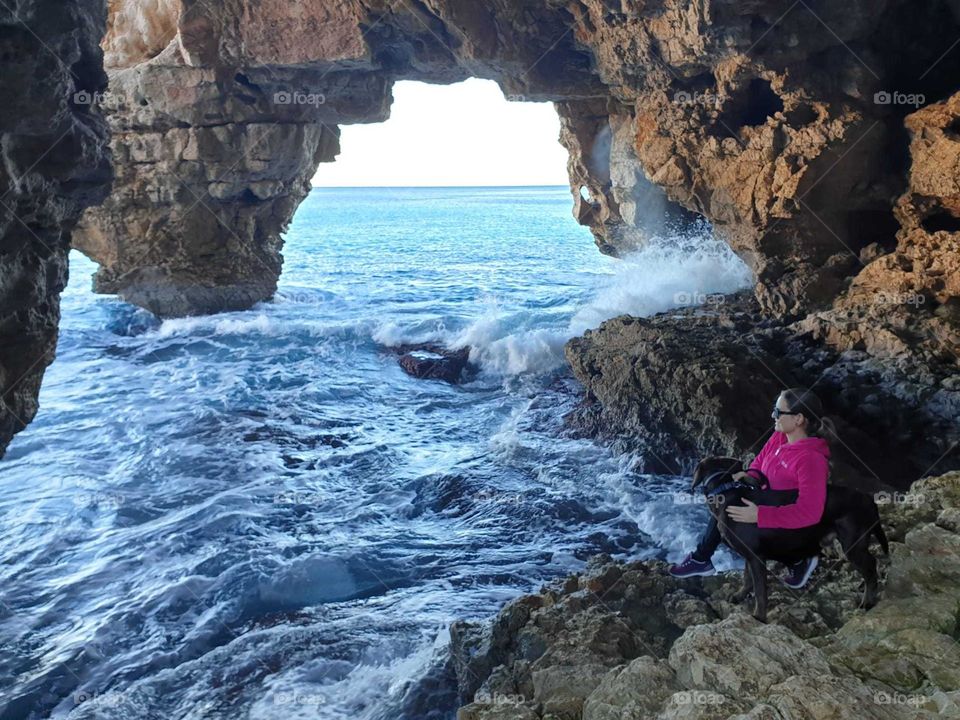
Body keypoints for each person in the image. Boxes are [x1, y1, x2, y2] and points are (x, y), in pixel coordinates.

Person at [668, 387, 836, 589]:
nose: (772, 415)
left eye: (778, 412)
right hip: (764, 500)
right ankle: (701, 558)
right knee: (724, 497)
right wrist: (749, 476)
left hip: (789, 524)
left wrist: (760, 516)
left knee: (729, 510)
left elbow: (810, 513)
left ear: (799, 419)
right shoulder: (779, 437)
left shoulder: (811, 460)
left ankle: (800, 560)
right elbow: (758, 463)